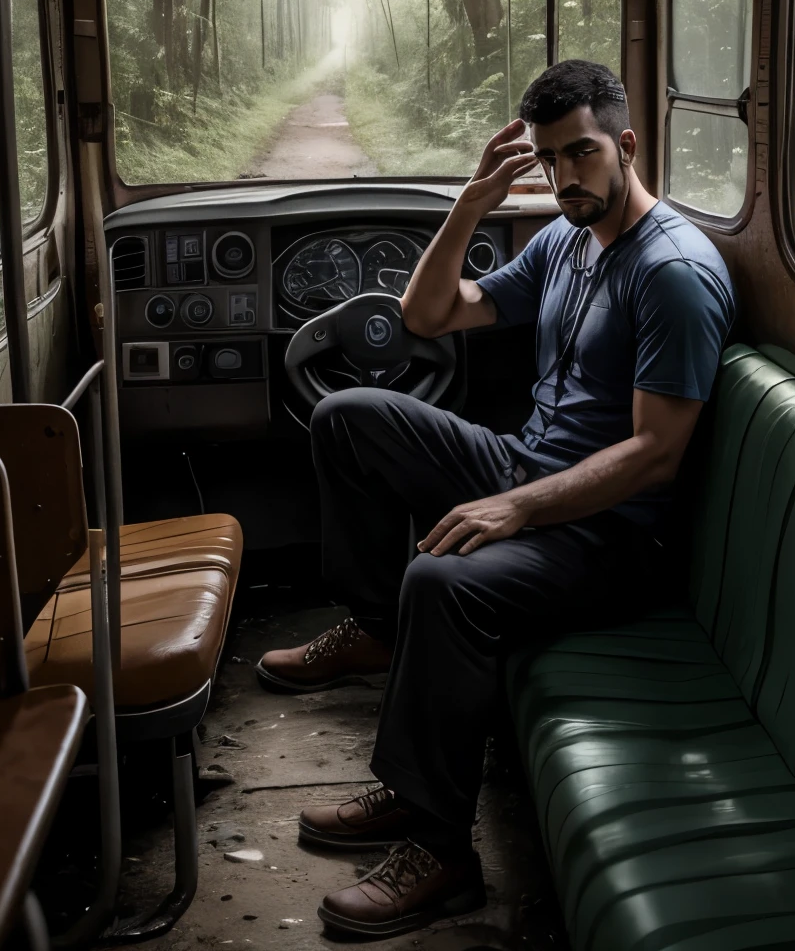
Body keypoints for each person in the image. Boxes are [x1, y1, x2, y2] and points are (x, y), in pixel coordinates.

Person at [257, 59, 735, 938]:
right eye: (548, 161)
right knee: (347, 416)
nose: (563, 178)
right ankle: (376, 631)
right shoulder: (566, 237)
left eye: (581, 155)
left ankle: (439, 849)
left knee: (441, 581)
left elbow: (656, 456)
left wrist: (515, 509)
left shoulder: (671, 272)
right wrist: (470, 206)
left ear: (625, 146)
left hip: (614, 538)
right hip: (525, 466)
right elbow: (430, 316)